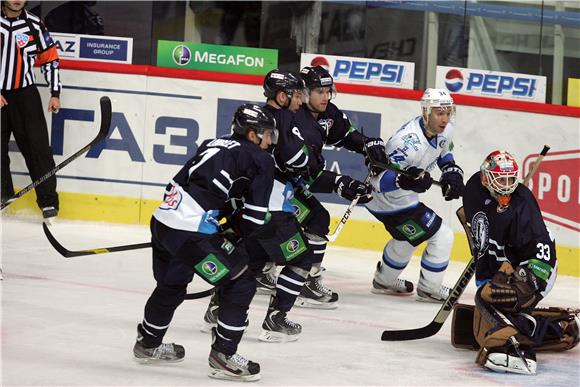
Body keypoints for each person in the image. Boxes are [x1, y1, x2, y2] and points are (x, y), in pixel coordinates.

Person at [133, 104, 276, 382]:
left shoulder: (213, 144)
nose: (270, 141)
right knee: (242, 279)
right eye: (267, 134)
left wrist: (212, 223)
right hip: (191, 232)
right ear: (251, 135)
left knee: (172, 284)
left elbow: (174, 185)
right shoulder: (260, 159)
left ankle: (148, 344)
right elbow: (256, 220)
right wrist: (231, 231)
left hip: (163, 221)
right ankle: (223, 355)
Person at [203, 69, 322, 342]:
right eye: (295, 95)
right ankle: (276, 319)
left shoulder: (258, 117)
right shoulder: (281, 120)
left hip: (251, 203)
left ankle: (218, 309)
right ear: (282, 96)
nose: (300, 101)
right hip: (271, 205)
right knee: (302, 258)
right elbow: (296, 160)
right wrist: (310, 160)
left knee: (251, 262)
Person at [460, 150, 569, 375]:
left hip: (534, 268)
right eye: (500, 179)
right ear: (485, 177)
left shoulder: (523, 204)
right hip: (500, 266)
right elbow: (479, 218)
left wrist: (527, 284)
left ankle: (520, 352)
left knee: (488, 296)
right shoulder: (472, 188)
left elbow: (542, 253)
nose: (506, 185)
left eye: (510, 179)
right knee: (480, 330)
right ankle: (558, 327)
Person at [287, 65, 387, 308]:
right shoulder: (296, 120)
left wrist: (369, 144)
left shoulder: (326, 114)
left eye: (327, 91)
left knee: (307, 219)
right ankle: (304, 281)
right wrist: (340, 183)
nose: (325, 96)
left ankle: (266, 271)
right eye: (319, 91)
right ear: (304, 92)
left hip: (286, 182)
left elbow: (346, 136)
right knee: (315, 218)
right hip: (272, 185)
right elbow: (308, 173)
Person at [366, 88, 464, 303]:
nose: (445, 119)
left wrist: (450, 169)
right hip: (388, 201)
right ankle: (430, 288)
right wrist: (405, 180)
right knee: (442, 236)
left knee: (407, 238)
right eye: (439, 113)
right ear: (426, 112)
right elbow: (377, 180)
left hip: (402, 200)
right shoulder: (406, 142)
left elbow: (443, 150)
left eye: (448, 112)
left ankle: (384, 281)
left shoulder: (445, 129)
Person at [1, 0, 61, 220]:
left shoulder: (35, 24)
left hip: (26, 96)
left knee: (38, 150)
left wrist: (55, 93)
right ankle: (2, 194)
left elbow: (50, 59)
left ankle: (48, 202)